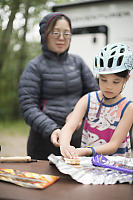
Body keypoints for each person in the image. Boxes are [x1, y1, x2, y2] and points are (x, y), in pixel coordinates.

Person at [18, 12, 99, 160]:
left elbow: (94, 95)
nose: (61, 38)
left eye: (66, 33)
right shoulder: (34, 67)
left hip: (77, 140)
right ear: (44, 34)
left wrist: (77, 114)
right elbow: (27, 106)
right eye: (55, 33)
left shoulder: (78, 63)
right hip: (44, 140)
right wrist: (51, 129)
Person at [59, 43, 133, 159]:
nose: (109, 86)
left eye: (115, 82)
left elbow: (113, 146)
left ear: (126, 79)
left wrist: (84, 151)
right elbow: (69, 126)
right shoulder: (87, 99)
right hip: (90, 164)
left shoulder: (128, 107)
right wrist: (64, 146)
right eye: (103, 80)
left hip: (116, 167)